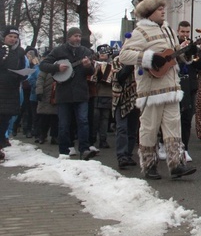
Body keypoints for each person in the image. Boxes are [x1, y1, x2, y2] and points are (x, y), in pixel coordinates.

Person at [118, 0, 197, 180]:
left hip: (172, 87)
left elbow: (175, 55)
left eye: (163, 8)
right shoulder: (140, 32)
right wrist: (149, 58)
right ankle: (149, 165)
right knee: (149, 128)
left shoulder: (169, 30)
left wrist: (188, 53)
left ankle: (176, 163)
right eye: (159, 8)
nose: (163, 11)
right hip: (151, 90)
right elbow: (124, 55)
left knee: (173, 127)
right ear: (149, 13)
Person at [39, 27, 98, 160]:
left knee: (83, 121)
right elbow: (43, 65)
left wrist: (88, 66)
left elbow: (91, 72)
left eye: (79, 36)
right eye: (75, 36)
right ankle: (64, 151)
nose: (77, 38)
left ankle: (84, 150)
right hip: (64, 92)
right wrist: (57, 67)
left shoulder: (85, 51)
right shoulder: (58, 51)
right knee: (64, 124)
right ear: (69, 37)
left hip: (81, 93)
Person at [176, 21, 201, 162]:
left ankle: (184, 149)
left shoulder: (194, 47)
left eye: (187, 32)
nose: (185, 34)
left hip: (190, 87)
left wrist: (194, 52)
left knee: (187, 119)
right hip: (175, 86)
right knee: (173, 119)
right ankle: (165, 145)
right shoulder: (173, 44)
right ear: (178, 31)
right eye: (183, 32)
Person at [0, 25, 27, 160]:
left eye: (15, 37)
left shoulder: (20, 52)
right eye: (10, 36)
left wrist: (23, 75)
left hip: (11, 90)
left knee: (5, 119)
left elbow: (23, 68)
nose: (12, 39)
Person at [111, 56, 140, 170]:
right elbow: (119, 77)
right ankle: (121, 156)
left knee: (132, 129)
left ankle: (128, 154)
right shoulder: (117, 60)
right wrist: (131, 63)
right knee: (122, 128)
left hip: (135, 97)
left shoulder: (139, 59)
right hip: (121, 98)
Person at [91, 45, 115, 149]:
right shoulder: (94, 64)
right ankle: (92, 139)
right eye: (100, 53)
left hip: (106, 94)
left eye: (104, 53)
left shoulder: (113, 65)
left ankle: (103, 139)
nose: (102, 54)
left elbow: (114, 80)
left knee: (104, 118)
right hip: (95, 94)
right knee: (94, 118)